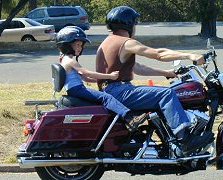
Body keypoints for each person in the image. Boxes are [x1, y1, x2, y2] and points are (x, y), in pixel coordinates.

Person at [95, 6, 214, 154]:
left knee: (159, 93)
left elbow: (137, 68)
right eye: (135, 23)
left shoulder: (108, 42)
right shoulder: (125, 42)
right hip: (119, 90)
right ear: (128, 24)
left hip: (112, 90)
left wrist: (166, 73)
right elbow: (159, 54)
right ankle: (185, 140)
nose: (135, 27)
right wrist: (190, 55)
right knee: (166, 94)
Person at [56, 26, 147, 131]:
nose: (80, 48)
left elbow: (85, 77)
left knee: (103, 99)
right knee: (106, 98)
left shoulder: (65, 59)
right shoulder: (70, 60)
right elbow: (87, 72)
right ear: (67, 45)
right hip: (77, 90)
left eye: (81, 45)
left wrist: (102, 80)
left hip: (75, 89)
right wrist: (109, 76)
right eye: (77, 44)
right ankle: (130, 118)